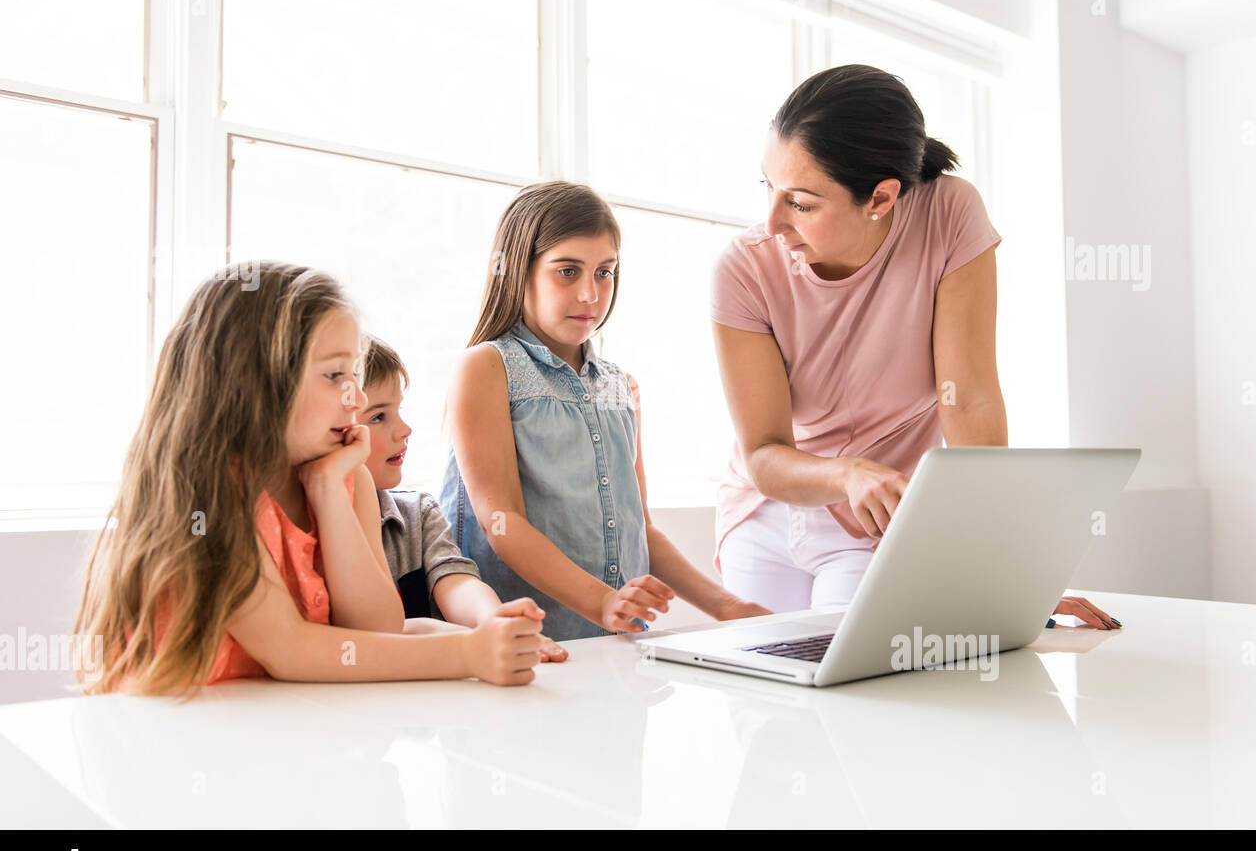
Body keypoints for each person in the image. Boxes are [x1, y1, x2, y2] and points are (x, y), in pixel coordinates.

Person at [710, 65, 1121, 630]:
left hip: (874, 518)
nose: (772, 222)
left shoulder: (949, 213)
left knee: (864, 690)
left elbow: (969, 398)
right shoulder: (744, 267)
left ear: (881, 197)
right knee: (760, 700)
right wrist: (848, 471)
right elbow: (763, 453)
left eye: (801, 203)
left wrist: (1003, 567)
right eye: (768, 187)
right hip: (767, 512)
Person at [75, 262, 548, 697]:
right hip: (181, 737)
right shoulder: (210, 494)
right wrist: (467, 653)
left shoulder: (346, 481)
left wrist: (327, 493)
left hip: (282, 730)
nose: (356, 395)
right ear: (254, 383)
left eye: (355, 374)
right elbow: (289, 648)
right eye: (334, 375)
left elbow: (376, 627)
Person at [441, 181, 771, 642]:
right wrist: (602, 601)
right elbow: (502, 523)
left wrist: (727, 605)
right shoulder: (487, 368)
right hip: (523, 648)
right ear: (519, 271)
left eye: (604, 272)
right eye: (567, 271)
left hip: (611, 648)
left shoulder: (621, 386)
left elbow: (642, 531)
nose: (590, 295)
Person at [358, 334, 567, 661]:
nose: (404, 429)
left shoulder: (419, 513)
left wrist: (493, 618)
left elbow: (456, 583)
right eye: (378, 417)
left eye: (399, 410)